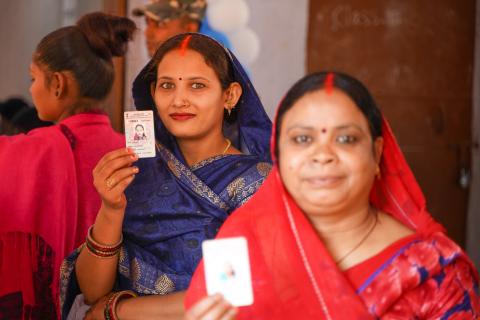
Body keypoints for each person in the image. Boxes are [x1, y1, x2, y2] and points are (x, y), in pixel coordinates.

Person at [185, 71, 480, 319]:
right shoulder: (244, 247)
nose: (323, 154)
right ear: (277, 154)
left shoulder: (435, 272)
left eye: (345, 139)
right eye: (302, 139)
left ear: (377, 154)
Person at [60, 33, 272, 319]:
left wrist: (118, 310)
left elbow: (230, 297)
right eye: (167, 85)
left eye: (197, 86)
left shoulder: (255, 183)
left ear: (230, 95)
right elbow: (93, 292)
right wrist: (111, 209)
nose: (178, 100)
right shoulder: (138, 171)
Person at [0, 12, 136, 319]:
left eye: (34, 78)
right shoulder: (129, 152)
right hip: (115, 307)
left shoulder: (29, 150)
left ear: (58, 84)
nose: (32, 88)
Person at [132, 0, 206, 57]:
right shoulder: (150, 74)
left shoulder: (208, 72)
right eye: (147, 22)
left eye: (160, 24)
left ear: (190, 29)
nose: (147, 33)